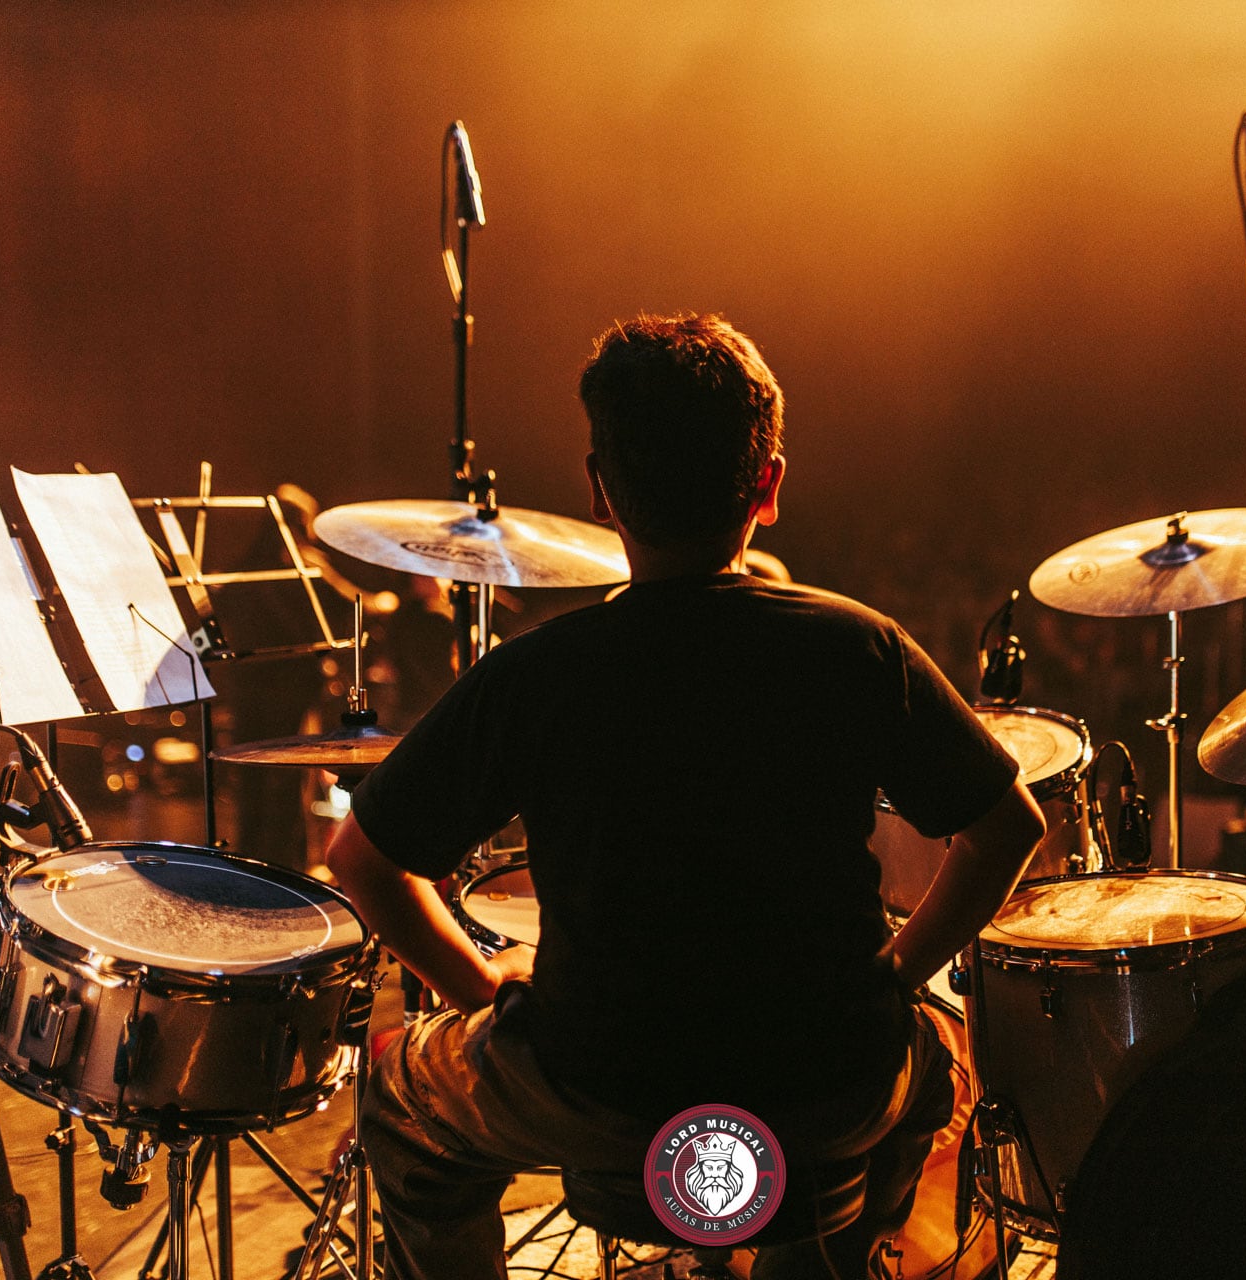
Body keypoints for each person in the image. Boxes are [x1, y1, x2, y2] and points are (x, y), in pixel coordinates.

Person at [324, 313, 1047, 1280]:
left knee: (398, 1105)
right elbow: (1009, 828)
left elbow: (363, 861)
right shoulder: (858, 646)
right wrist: (896, 974)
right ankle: (822, 1258)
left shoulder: (537, 674)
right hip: (829, 1076)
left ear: (600, 489)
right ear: (769, 486)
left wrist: (484, 991)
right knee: (936, 1069)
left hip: (593, 1084)